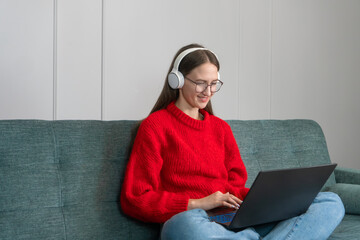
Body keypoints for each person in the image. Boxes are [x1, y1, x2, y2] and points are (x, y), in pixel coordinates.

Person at [120, 43, 345, 240]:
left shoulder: (221, 129)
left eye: (214, 84)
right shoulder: (155, 126)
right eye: (200, 83)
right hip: (195, 220)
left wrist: (268, 200)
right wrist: (200, 203)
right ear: (177, 80)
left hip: (235, 216)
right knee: (182, 227)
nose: (208, 92)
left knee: (330, 202)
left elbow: (235, 185)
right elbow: (136, 199)